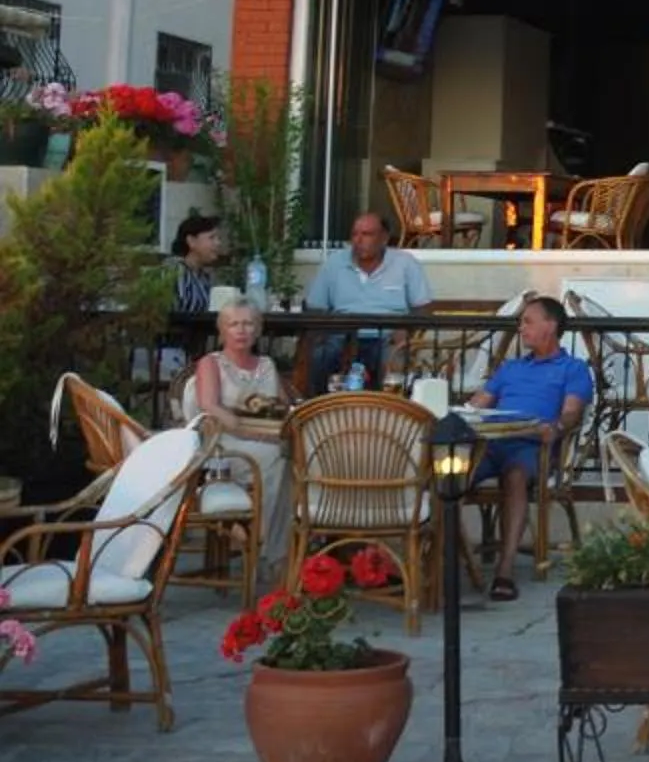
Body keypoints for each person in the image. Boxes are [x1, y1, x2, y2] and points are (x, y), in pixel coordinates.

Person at [465, 295, 595, 601]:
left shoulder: (572, 368)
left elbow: (571, 413)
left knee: (515, 476)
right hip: (490, 443)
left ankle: (505, 569)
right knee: (447, 476)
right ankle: (444, 561)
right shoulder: (510, 368)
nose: (520, 328)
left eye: (527, 321)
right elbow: (477, 405)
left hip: (531, 446)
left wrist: (558, 428)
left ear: (550, 326)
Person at [182, 298, 290, 569]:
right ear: (222, 331)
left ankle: (286, 545)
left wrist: (280, 427)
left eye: (248, 323)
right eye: (233, 324)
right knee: (279, 458)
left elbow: (283, 408)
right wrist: (252, 432)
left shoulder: (267, 365)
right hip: (223, 445)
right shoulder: (211, 363)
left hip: (265, 440)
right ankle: (268, 551)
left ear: (258, 330)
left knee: (299, 455)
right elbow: (209, 406)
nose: (241, 330)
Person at [303, 211, 433, 391]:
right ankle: (319, 409)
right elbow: (315, 308)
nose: (358, 240)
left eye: (367, 234)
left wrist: (407, 329)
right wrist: (326, 331)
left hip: (388, 337)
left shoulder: (405, 263)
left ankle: (385, 412)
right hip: (344, 336)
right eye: (355, 234)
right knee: (322, 353)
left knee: (394, 358)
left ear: (384, 238)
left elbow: (424, 308)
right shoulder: (334, 263)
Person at [169, 212, 225, 317]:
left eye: (218, 238)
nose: (218, 243)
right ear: (191, 241)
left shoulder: (203, 277)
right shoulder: (175, 272)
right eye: (211, 238)